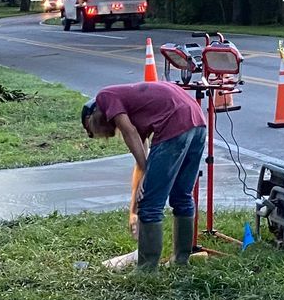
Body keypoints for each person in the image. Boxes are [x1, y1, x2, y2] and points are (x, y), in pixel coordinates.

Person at [81, 81, 208, 271]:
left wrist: (146, 177)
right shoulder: (135, 107)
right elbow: (142, 153)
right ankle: (181, 261)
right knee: (182, 196)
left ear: (92, 116)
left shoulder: (105, 96)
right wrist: (133, 210)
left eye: (90, 130)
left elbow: (129, 132)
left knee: (150, 203)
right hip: (198, 123)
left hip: (175, 125)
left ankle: (146, 270)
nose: (96, 134)